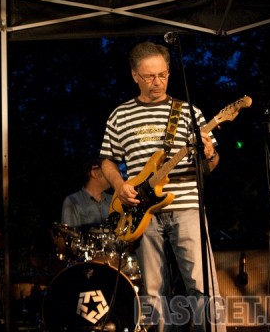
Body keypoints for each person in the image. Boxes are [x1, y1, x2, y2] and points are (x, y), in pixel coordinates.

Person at [99, 41, 225, 332]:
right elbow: (107, 160)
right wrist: (119, 185)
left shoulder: (190, 112)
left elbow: (211, 165)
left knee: (202, 285)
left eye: (162, 75)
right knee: (154, 292)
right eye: (148, 76)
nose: (157, 82)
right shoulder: (120, 115)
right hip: (142, 213)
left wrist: (209, 154)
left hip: (186, 206)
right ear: (134, 75)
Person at [61, 158, 112, 231]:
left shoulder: (113, 200)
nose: (112, 175)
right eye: (107, 170)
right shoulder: (73, 201)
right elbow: (70, 234)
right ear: (94, 173)